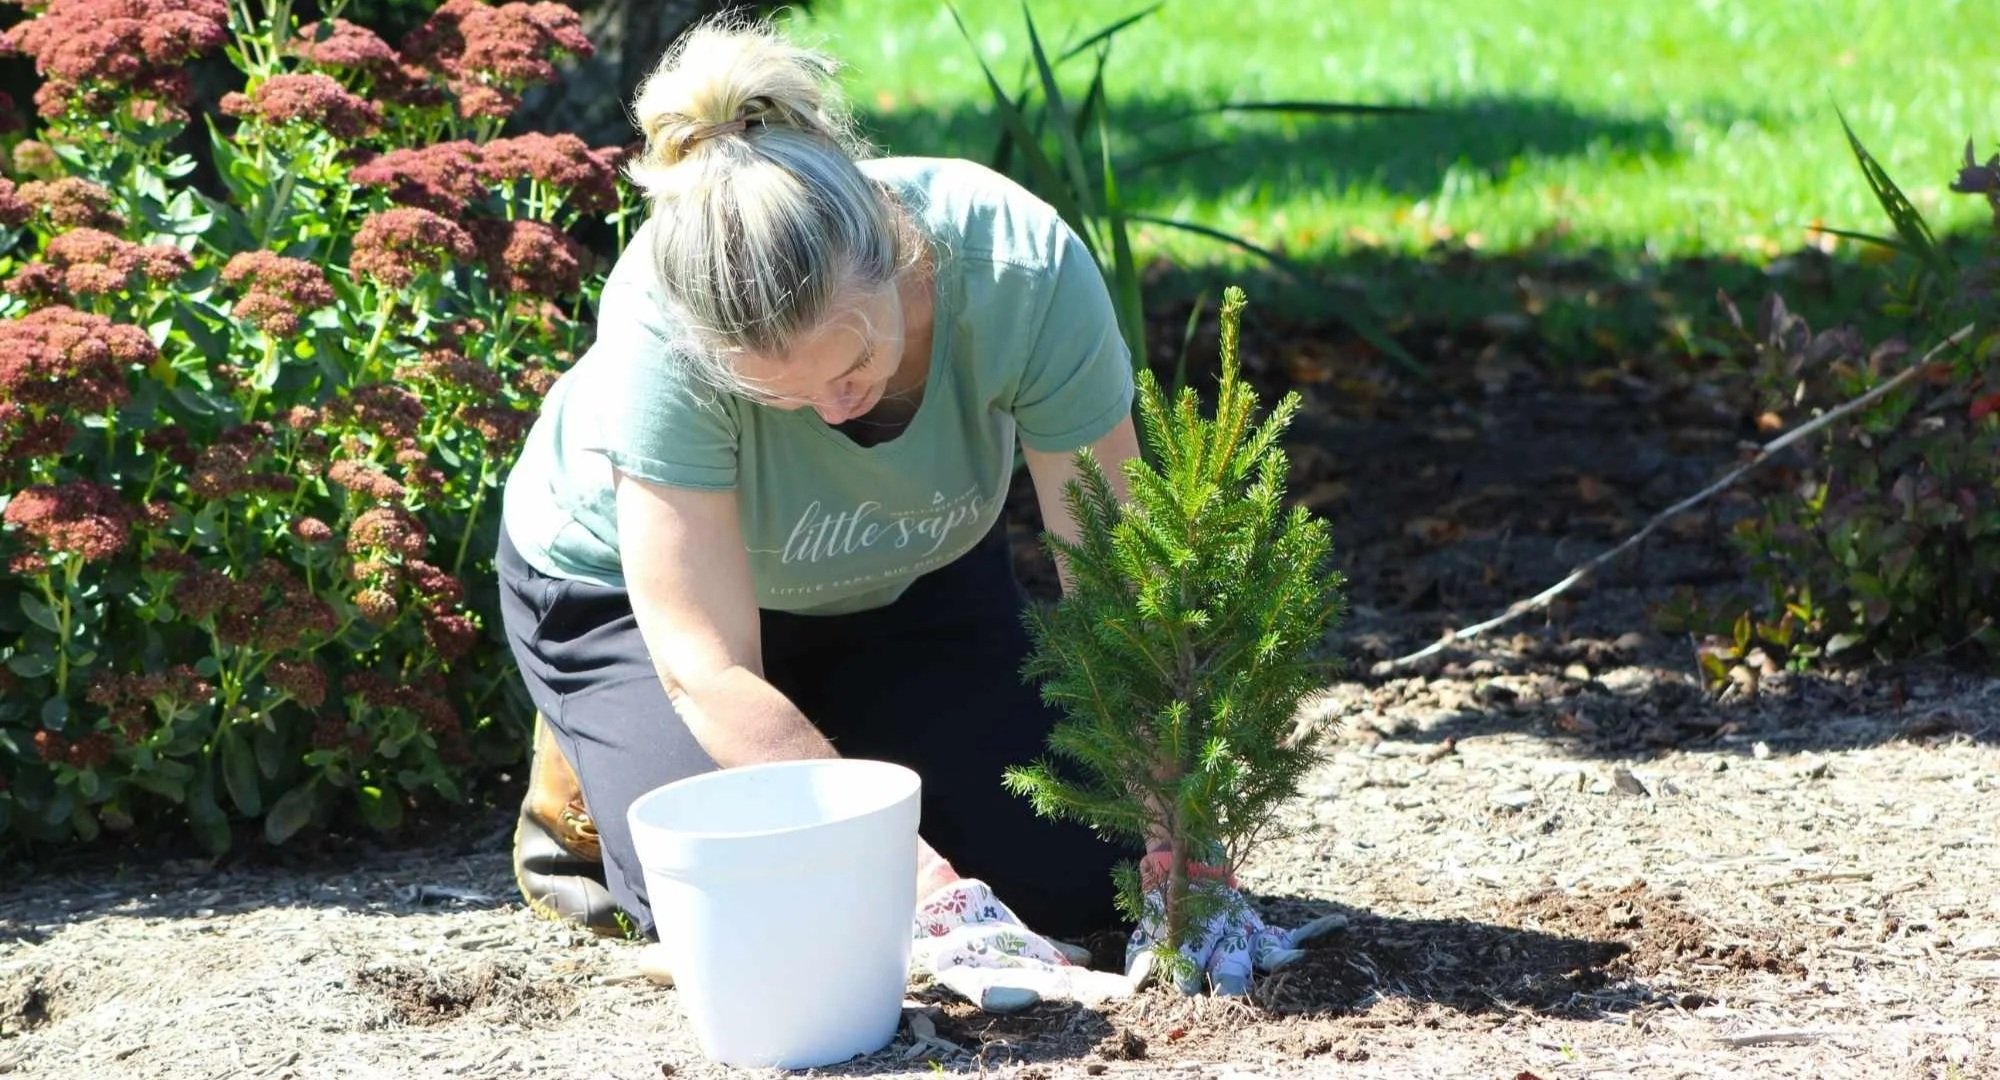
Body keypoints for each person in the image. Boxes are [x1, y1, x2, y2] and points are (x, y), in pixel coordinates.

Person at [496, 16, 1338, 1010]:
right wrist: (903, 875)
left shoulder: (1017, 266)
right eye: (781, 397)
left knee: (1075, 874)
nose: (831, 409)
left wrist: (1174, 837)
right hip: (640, 613)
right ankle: (587, 774)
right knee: (787, 911)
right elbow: (707, 662)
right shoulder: (658, 324)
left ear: (899, 259)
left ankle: (867, 734)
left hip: (910, 574)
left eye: (853, 369)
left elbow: (1122, 587)